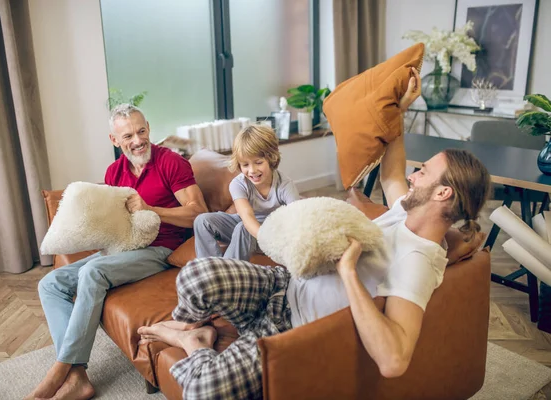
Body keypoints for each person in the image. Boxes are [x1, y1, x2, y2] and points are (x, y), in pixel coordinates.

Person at [137, 68, 493, 399]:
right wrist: (400, 109)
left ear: (443, 193)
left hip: (288, 324)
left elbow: (394, 360)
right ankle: (193, 324)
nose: (414, 175)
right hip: (281, 282)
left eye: (424, 172)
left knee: (204, 389)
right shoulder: (407, 210)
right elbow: (392, 175)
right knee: (195, 275)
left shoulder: (418, 261)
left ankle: (195, 342)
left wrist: (349, 272)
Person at [27, 104, 208, 400]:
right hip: (126, 246)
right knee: (50, 284)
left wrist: (152, 210)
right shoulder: (114, 172)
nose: (137, 140)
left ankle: (61, 368)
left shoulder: (171, 163)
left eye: (141, 131)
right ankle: (77, 376)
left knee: (93, 271)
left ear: (148, 127)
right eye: (128, 136)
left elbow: (198, 213)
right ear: (114, 140)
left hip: (164, 248)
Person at [193, 124, 300, 260]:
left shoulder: (285, 185)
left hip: (271, 233)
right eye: (245, 165)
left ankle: (226, 272)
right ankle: (207, 267)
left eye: (258, 162)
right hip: (247, 225)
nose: (252, 170)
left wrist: (271, 241)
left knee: (243, 228)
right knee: (202, 221)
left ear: (271, 158)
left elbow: (298, 217)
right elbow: (246, 215)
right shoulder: (238, 184)